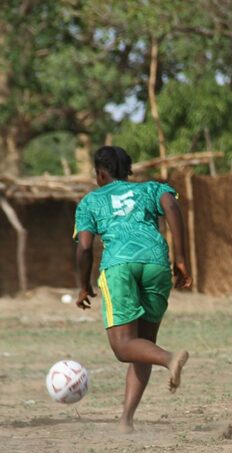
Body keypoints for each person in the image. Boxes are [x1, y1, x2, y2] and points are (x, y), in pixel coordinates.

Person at [73, 145, 192, 433]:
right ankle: (126, 420)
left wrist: (83, 286)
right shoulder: (151, 188)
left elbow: (85, 247)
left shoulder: (91, 201)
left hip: (119, 267)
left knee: (124, 347)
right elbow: (172, 206)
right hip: (156, 264)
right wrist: (181, 259)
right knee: (143, 346)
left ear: (100, 174)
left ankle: (170, 358)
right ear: (128, 171)